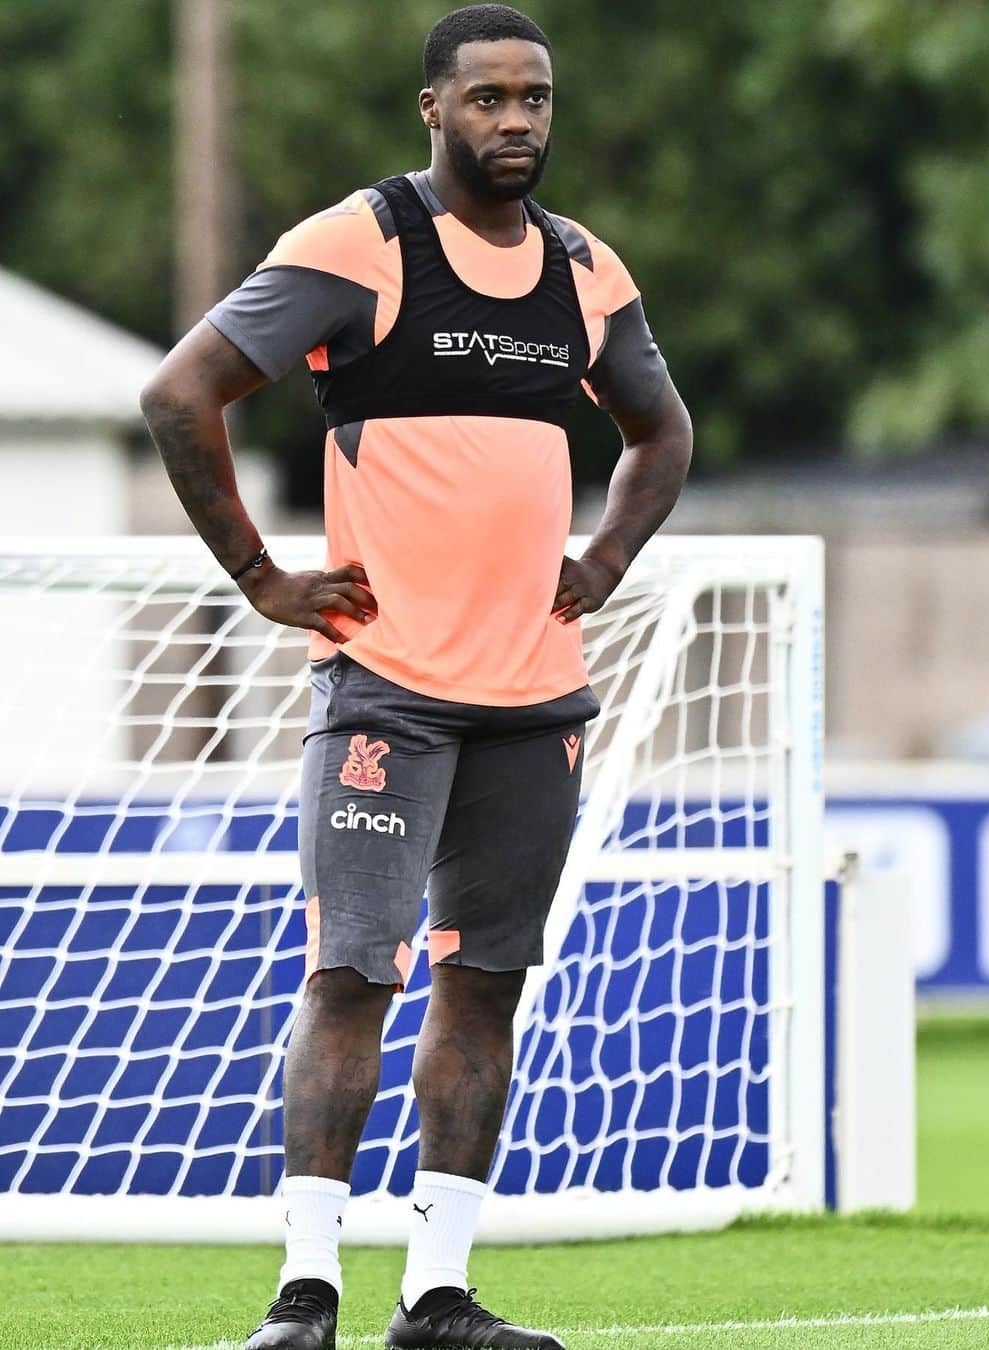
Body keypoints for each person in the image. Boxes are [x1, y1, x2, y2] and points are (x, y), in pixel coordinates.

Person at [141, 5, 692, 1347]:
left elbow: (662, 429)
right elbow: (181, 392)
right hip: (386, 689)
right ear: (433, 110)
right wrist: (264, 580)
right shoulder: (360, 246)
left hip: (533, 699)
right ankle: (305, 1292)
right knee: (352, 976)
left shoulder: (582, 269)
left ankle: (435, 1294)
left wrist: (606, 557)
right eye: (490, 98)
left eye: (536, 98)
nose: (519, 122)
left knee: (484, 985)